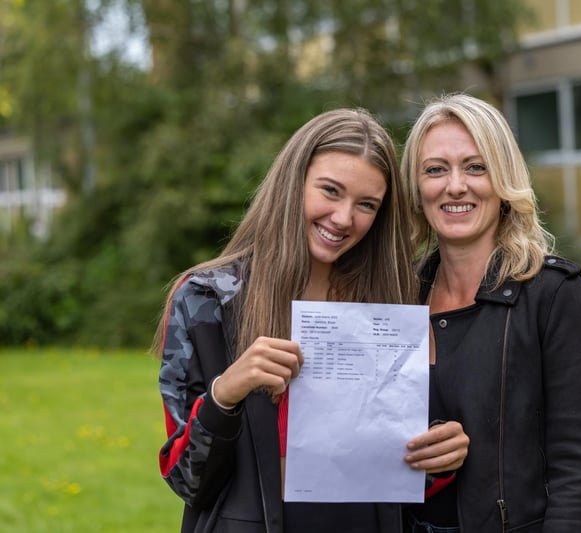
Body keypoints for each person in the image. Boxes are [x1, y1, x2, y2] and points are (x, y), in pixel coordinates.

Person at [153, 108, 425, 532]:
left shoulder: (395, 303)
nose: (343, 218)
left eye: (366, 205)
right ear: (293, 182)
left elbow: (410, 469)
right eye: (331, 191)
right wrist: (225, 394)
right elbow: (186, 478)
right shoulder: (205, 300)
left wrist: (436, 457)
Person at [399, 94, 581, 533]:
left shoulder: (555, 297)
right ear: (417, 189)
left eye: (476, 167)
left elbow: (578, 478)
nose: (455, 186)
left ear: (503, 180)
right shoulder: (398, 296)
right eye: (436, 169)